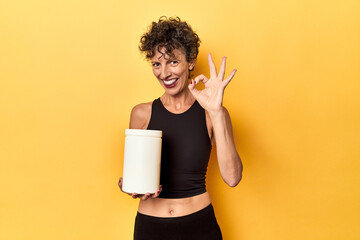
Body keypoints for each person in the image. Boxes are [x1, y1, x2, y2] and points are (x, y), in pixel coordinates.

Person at [118, 16, 243, 240]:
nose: (164, 73)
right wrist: (130, 185)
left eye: (173, 62)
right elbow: (136, 179)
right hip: (150, 228)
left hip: (199, 226)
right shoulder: (141, 114)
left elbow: (232, 178)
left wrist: (216, 113)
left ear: (191, 61)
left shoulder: (212, 114)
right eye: (157, 63)